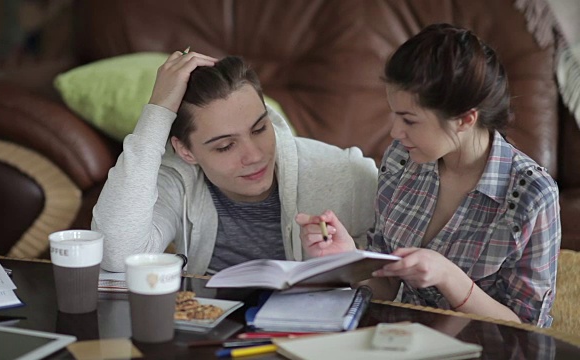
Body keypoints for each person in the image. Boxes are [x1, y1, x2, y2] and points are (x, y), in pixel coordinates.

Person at [296, 23, 561, 327]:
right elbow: (385, 288)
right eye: (394, 114)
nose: (395, 132)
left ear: (465, 119)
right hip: (402, 342)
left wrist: (449, 276)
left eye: (409, 120)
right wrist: (348, 257)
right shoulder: (400, 160)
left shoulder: (532, 195)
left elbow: (528, 332)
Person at [92, 51, 379, 275]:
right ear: (186, 151)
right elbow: (116, 255)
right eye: (225, 146)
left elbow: (403, 277)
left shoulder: (346, 174)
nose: (254, 155)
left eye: (259, 129)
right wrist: (157, 112)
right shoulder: (175, 178)